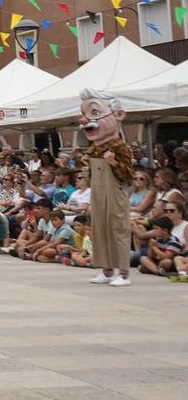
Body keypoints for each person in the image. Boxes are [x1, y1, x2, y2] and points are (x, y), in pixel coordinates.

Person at [80, 88, 135, 287]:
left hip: (116, 192)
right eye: (84, 114)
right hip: (98, 192)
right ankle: (106, 269)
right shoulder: (93, 148)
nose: (85, 120)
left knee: (118, 230)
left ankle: (124, 273)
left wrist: (113, 163)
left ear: (118, 115)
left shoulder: (119, 146)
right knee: (100, 229)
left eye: (94, 113)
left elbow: (129, 175)